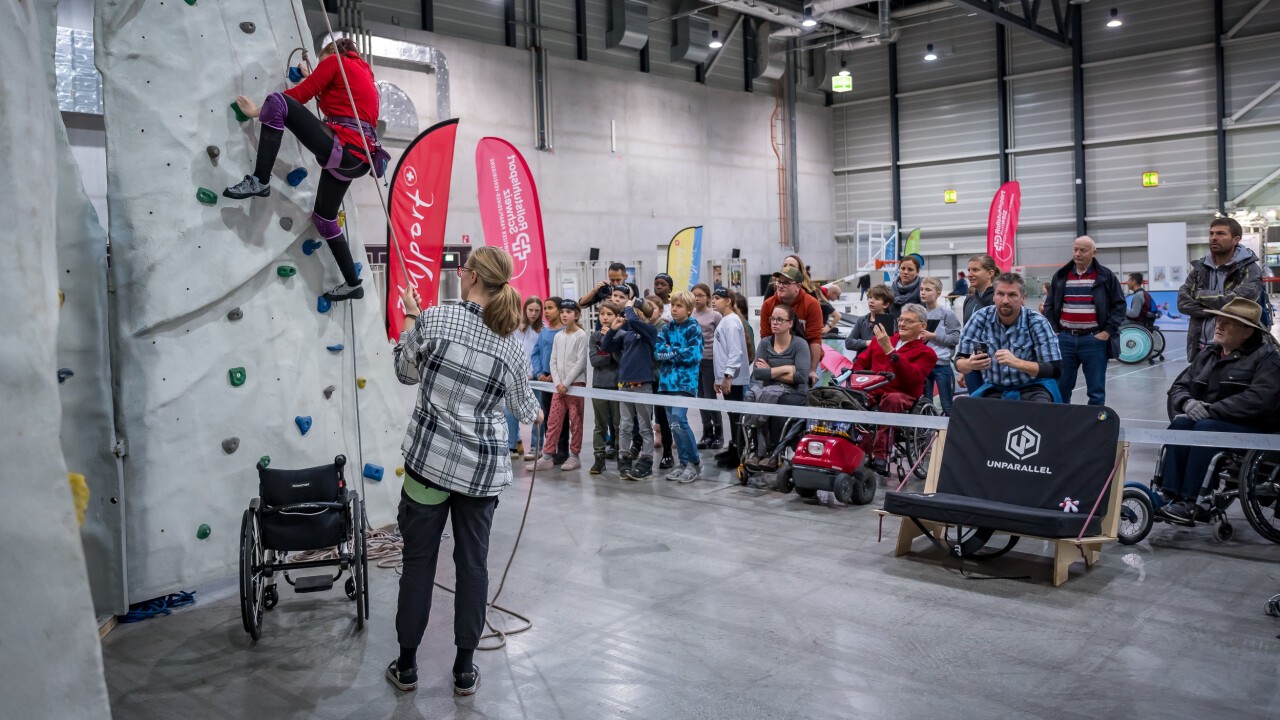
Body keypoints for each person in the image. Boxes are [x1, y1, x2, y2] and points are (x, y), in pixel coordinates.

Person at [387, 246, 540, 696]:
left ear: (469, 276)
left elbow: (404, 370)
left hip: (428, 466)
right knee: (473, 567)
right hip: (481, 476)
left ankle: (408, 666)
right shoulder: (511, 344)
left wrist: (413, 318)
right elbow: (526, 409)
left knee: (417, 565)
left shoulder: (435, 319)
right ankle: (464, 671)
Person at [224, 38, 385, 303]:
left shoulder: (336, 62)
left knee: (278, 102)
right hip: (357, 160)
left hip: (344, 147)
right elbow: (341, 102)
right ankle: (353, 283)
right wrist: (317, 76)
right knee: (325, 218)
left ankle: (259, 180)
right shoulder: (364, 74)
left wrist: (256, 112)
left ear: (332, 52)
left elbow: (299, 97)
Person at [1161, 298, 1280, 522]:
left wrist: (1212, 410)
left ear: (1246, 331)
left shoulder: (1267, 359)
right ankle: (1169, 494)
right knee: (1181, 423)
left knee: (1206, 428)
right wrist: (1187, 403)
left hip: (1257, 430)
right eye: (1218, 320)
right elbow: (1178, 387)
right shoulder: (1210, 354)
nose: (1219, 325)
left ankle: (1195, 501)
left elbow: (1260, 400)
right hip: (1216, 422)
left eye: (1227, 322)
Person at [849, 303, 937, 475]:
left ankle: (880, 454)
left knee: (892, 400)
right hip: (873, 390)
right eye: (901, 320)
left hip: (903, 394)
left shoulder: (927, 353)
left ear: (922, 326)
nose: (902, 324)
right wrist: (856, 376)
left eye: (909, 321)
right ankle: (859, 451)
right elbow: (860, 362)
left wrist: (890, 351)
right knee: (852, 397)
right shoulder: (880, 340)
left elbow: (913, 378)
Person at [1042, 236, 1126, 406]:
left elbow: (1119, 306)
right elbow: (1049, 305)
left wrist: (1106, 332)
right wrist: (1054, 330)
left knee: (1096, 392)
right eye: (1075, 249)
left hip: (1093, 341)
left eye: (1083, 250)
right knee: (1061, 388)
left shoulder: (1105, 276)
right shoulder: (1061, 275)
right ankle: (1062, 425)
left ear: (1094, 253)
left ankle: (1095, 429)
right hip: (1064, 340)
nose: (1078, 254)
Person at [955, 273, 1062, 403]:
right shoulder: (979, 319)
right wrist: (968, 364)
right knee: (968, 412)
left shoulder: (1037, 322)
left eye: (1012, 295)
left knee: (1042, 412)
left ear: (1023, 298)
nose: (1005, 300)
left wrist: (1018, 363)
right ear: (994, 296)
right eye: (1000, 294)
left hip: (1032, 388)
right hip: (993, 388)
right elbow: (959, 361)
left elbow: (1055, 369)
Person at [1178, 217, 1266, 360]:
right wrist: (1219, 309)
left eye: (1220, 234)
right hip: (1200, 348)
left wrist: (1199, 295)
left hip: (1235, 349)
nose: (1214, 238)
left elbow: (1240, 303)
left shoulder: (1250, 269)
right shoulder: (1199, 268)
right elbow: (1182, 303)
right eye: (1211, 233)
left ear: (1235, 239)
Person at [748, 304, 811, 470]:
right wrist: (785, 369)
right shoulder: (765, 344)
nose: (775, 323)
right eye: (773, 319)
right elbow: (757, 374)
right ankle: (757, 450)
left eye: (780, 320)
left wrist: (769, 370)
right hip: (768, 390)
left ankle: (773, 451)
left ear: (790, 323)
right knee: (753, 399)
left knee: (778, 403)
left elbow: (801, 377)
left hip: (795, 393)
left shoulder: (799, 344)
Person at [603, 298, 660, 480]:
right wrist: (613, 329)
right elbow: (605, 346)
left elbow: (635, 322)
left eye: (636, 311)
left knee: (644, 427)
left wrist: (628, 308)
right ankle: (624, 457)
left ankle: (647, 460)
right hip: (624, 385)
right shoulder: (627, 333)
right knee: (625, 426)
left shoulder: (649, 331)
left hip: (642, 385)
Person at [654, 291, 705, 483]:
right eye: (673, 306)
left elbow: (693, 356)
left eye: (679, 306)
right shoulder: (666, 329)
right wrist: (677, 351)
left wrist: (670, 351)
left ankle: (695, 463)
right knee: (672, 423)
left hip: (685, 383)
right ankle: (683, 463)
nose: (674, 309)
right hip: (666, 383)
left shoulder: (694, 329)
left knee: (679, 420)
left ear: (689, 310)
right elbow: (657, 353)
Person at [534, 300, 589, 472]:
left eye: (569, 312)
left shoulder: (581, 335)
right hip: (559, 387)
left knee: (576, 421)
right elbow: (553, 361)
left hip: (575, 384)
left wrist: (566, 383)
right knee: (553, 421)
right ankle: (547, 456)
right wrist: (558, 383)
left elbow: (580, 362)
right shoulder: (559, 336)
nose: (565, 315)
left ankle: (574, 456)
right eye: (563, 311)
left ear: (577, 315)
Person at [712, 288, 753, 469]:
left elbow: (735, 353)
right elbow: (721, 353)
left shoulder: (731, 322)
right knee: (732, 416)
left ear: (728, 301)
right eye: (712, 298)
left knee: (737, 418)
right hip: (727, 378)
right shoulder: (725, 320)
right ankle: (735, 449)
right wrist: (718, 377)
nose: (713, 301)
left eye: (717, 298)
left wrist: (728, 376)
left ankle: (739, 455)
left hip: (734, 379)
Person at [527, 297, 570, 466]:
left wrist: (557, 375)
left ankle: (563, 450)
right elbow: (535, 353)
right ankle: (549, 450)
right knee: (548, 416)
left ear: (560, 310)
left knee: (562, 417)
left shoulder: (566, 331)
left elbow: (568, 357)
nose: (546, 311)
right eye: (545, 308)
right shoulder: (544, 332)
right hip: (545, 380)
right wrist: (539, 372)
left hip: (560, 381)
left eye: (550, 308)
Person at [762, 266, 825, 372]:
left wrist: (812, 370)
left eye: (786, 283)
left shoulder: (812, 304)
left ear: (798, 286)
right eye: (779, 282)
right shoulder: (768, 304)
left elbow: (814, 339)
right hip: (776, 361)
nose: (780, 286)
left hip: (806, 360)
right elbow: (765, 337)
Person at [588, 301, 623, 475]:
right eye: (602, 314)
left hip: (617, 386)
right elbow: (595, 361)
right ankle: (599, 458)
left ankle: (620, 456)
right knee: (600, 425)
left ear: (617, 317)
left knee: (618, 425)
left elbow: (621, 360)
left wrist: (610, 341)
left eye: (609, 314)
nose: (605, 317)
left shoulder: (621, 335)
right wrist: (609, 352)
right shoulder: (594, 337)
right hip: (599, 386)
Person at [508, 296, 543, 458]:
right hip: (515, 377)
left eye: (537, 310)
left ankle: (536, 447)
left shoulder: (543, 330)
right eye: (530, 310)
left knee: (537, 411)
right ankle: (513, 445)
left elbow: (538, 356)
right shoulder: (515, 328)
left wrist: (533, 373)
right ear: (525, 310)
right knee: (510, 410)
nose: (533, 313)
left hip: (535, 379)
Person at [919, 277, 961, 415]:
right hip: (924, 364)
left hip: (941, 364)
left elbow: (955, 339)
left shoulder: (947, 313)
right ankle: (926, 434)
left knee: (947, 404)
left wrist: (933, 336)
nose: (923, 292)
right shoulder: (920, 314)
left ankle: (951, 433)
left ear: (937, 293)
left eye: (927, 290)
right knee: (926, 402)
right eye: (921, 289)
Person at [691, 283, 724, 450]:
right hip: (695, 362)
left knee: (711, 398)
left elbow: (720, 339)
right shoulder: (690, 315)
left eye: (700, 295)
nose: (697, 298)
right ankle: (706, 432)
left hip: (710, 361)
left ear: (708, 297)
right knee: (701, 397)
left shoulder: (715, 315)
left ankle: (718, 433)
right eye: (694, 295)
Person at [959, 254, 999, 392]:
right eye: (969, 270)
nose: (970, 274)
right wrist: (964, 367)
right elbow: (967, 336)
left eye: (975, 270)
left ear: (990, 273)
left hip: (994, 364)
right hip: (973, 361)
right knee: (976, 406)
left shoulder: (998, 300)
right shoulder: (969, 300)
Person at [846, 285, 894, 358]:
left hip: (880, 364)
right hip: (862, 364)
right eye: (870, 297)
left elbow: (892, 344)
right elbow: (848, 343)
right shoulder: (861, 320)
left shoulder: (890, 321)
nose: (871, 301)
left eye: (877, 299)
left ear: (885, 304)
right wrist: (866, 343)